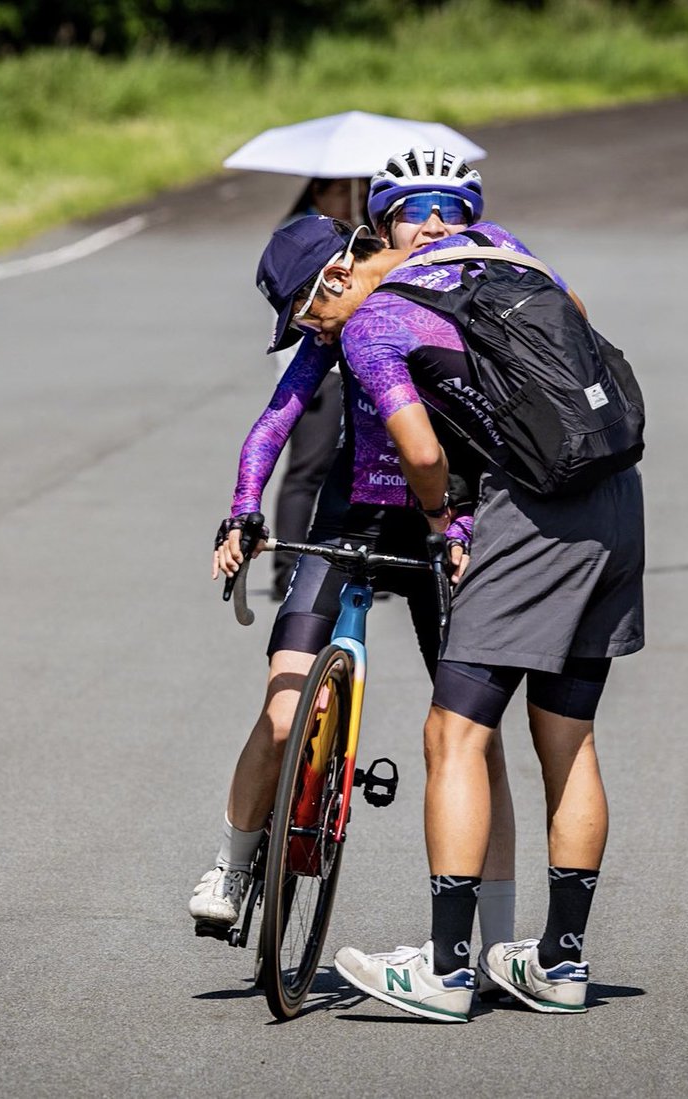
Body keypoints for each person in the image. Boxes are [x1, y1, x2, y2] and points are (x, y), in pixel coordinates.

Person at [249, 206, 645, 1022]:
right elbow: (573, 318)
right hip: (614, 489)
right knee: (568, 736)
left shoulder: (372, 323)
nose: (312, 333)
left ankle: (445, 970)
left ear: (338, 275)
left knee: (453, 733)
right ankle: (561, 962)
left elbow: (422, 452)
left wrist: (440, 518)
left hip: (532, 510)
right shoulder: (485, 250)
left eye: (309, 313)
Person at [190, 151, 519, 968]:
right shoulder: (340, 323)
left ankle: (499, 937)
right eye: (415, 212)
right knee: (281, 710)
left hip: (448, 521)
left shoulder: (464, 290)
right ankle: (232, 865)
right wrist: (242, 508)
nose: (432, 226)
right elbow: (276, 419)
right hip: (351, 513)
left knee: (474, 741)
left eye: (448, 210)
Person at [269, 177, 367, 600]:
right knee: (307, 469)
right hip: (315, 372)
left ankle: (362, 561)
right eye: (337, 190)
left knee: (359, 465)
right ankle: (286, 567)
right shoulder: (297, 234)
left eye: (354, 190)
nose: (348, 198)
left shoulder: (361, 238)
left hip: (356, 368)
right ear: (317, 193)